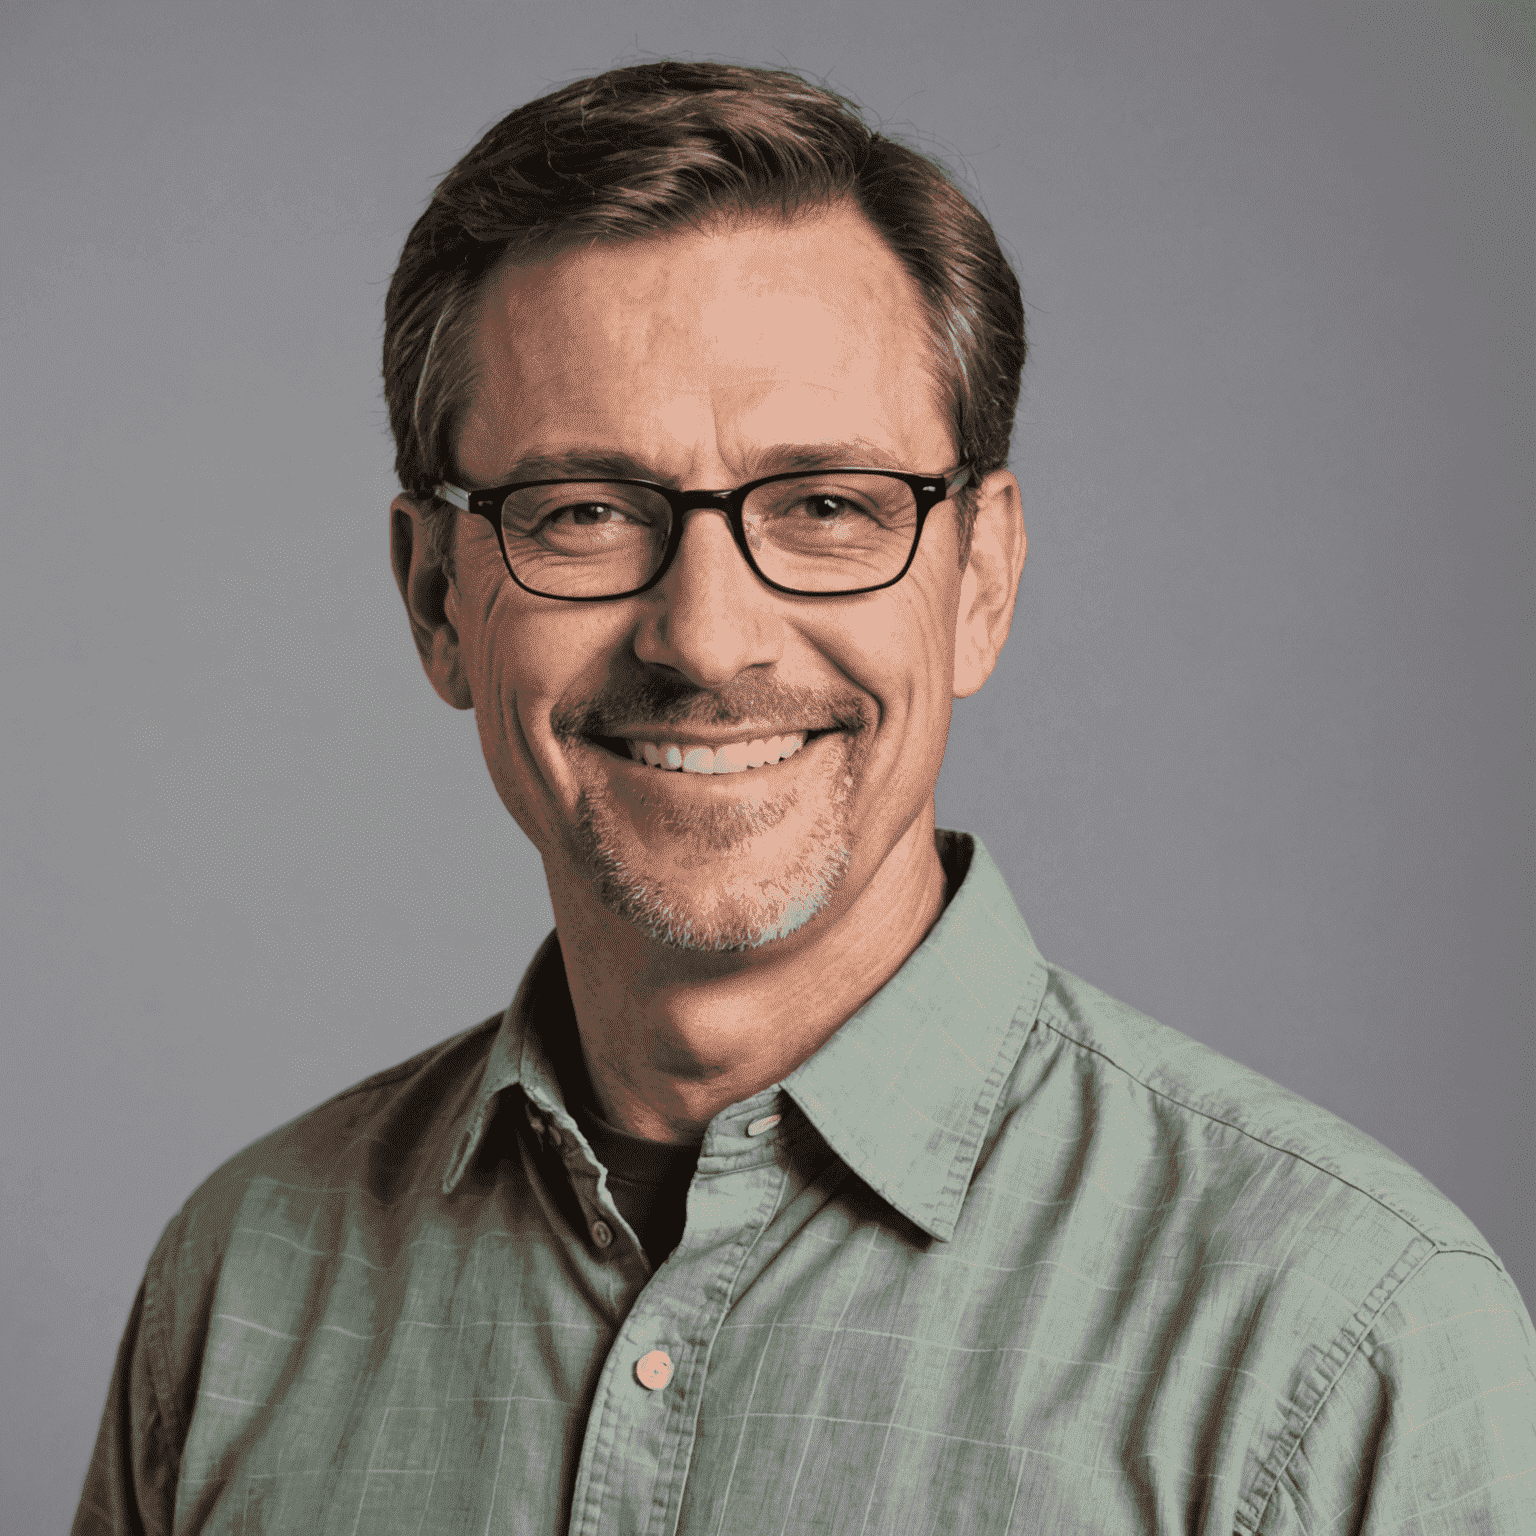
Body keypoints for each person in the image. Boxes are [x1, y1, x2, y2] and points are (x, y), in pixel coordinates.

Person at [73, 61, 1534, 1535]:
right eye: (583, 511)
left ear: (982, 578)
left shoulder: (1346, 1342)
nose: (706, 639)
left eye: (827, 506)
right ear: (435, 601)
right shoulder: (241, 1290)